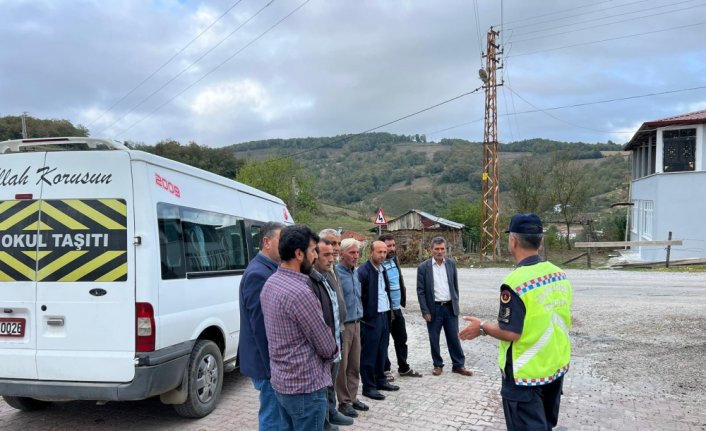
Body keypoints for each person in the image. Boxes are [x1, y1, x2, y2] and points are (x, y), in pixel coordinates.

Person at [459, 213, 572, 431]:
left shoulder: (515, 283)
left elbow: (511, 332)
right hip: (555, 367)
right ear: (540, 240)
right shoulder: (559, 275)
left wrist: (481, 327)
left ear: (513, 240)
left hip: (525, 375)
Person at [260, 225, 338, 431]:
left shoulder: (271, 283)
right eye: (313, 250)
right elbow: (325, 345)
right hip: (306, 387)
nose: (315, 256)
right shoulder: (300, 292)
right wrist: (334, 353)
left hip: (282, 383)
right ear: (298, 253)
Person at [238, 222, 284, 430]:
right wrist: (273, 369)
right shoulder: (259, 274)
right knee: (272, 418)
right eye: (281, 241)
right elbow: (261, 328)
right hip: (266, 365)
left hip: (270, 364)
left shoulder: (270, 269)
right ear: (266, 241)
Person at [311, 238, 354, 430]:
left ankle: (331, 412)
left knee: (331, 382)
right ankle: (325, 421)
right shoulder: (311, 281)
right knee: (323, 385)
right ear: (314, 255)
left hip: (336, 336)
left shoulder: (326, 276)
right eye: (326, 255)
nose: (332, 258)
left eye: (332, 254)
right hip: (325, 345)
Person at [416, 236, 473, 377]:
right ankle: (437, 365)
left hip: (449, 307)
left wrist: (455, 304)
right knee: (434, 338)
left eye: (442, 249)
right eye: (437, 249)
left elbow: (455, 287)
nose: (440, 252)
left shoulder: (451, 264)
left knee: (454, 337)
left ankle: (458, 365)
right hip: (433, 309)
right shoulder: (423, 267)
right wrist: (425, 310)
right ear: (431, 250)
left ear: (445, 249)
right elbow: (420, 291)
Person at [357, 240, 399, 400]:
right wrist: (364, 318)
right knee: (369, 354)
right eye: (379, 252)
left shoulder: (383, 269)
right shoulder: (364, 272)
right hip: (370, 319)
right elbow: (359, 297)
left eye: (384, 252)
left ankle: (381, 380)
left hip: (384, 316)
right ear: (371, 253)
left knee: (382, 351)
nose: (382, 255)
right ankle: (368, 387)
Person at [379, 234, 422, 379]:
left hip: (397, 309)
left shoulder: (394, 260)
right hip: (385, 311)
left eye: (393, 245)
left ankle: (403, 368)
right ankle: (385, 370)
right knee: (384, 342)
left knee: (402, 338)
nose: (391, 249)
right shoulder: (378, 264)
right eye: (388, 246)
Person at [335, 238, 369, 418]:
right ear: (342, 254)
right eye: (352, 253)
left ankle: (353, 397)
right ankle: (344, 402)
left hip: (357, 323)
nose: (356, 256)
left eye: (357, 253)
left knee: (355, 365)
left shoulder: (354, 273)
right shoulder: (336, 273)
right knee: (343, 366)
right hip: (344, 326)